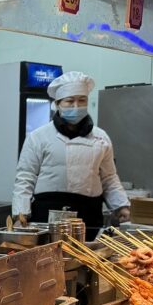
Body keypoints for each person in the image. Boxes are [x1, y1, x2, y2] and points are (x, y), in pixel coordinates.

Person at [11, 71, 130, 235]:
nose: (76, 106)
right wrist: (20, 213)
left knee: (87, 258)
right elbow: (26, 176)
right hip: (47, 215)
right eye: (69, 101)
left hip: (88, 215)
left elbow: (109, 178)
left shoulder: (101, 137)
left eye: (82, 100)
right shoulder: (38, 137)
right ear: (57, 104)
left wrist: (121, 206)